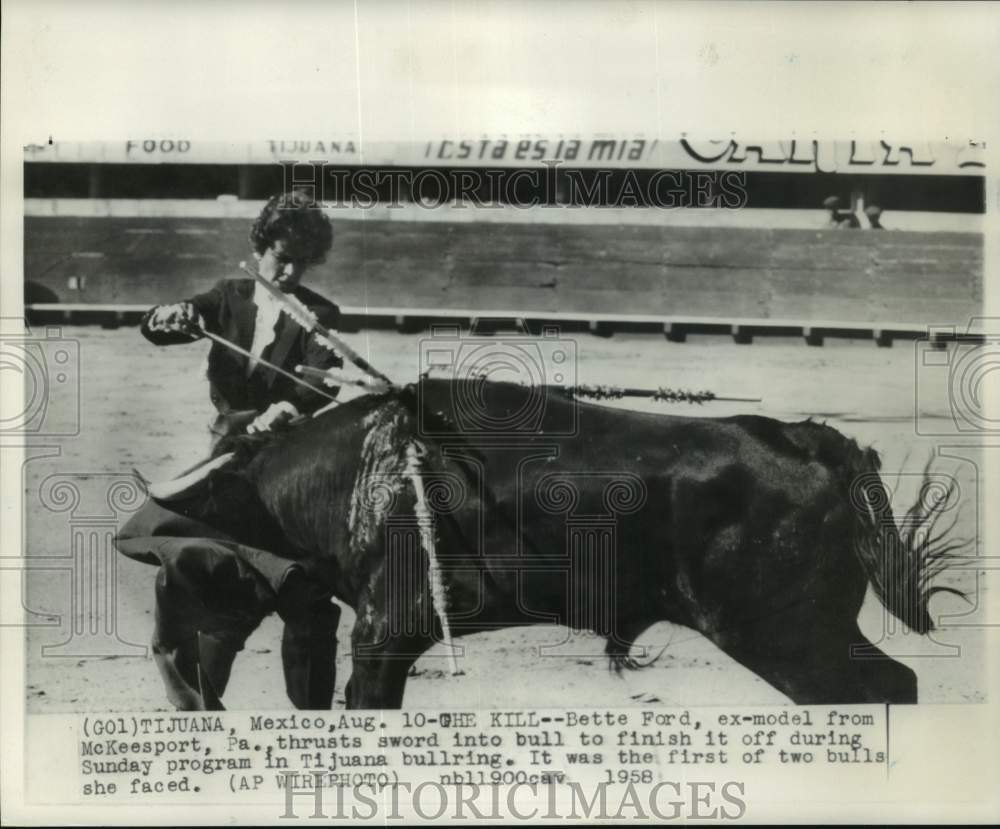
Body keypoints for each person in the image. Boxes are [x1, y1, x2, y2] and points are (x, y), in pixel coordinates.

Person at [116, 189, 344, 710]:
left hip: (288, 463)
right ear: (260, 247)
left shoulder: (319, 312)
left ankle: (315, 722)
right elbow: (169, 324)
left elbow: (322, 378)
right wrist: (166, 315)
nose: (288, 273)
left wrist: (288, 408)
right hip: (223, 461)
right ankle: (199, 715)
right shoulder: (229, 296)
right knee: (216, 586)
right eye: (281, 258)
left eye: (301, 264)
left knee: (304, 597)